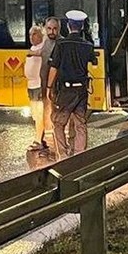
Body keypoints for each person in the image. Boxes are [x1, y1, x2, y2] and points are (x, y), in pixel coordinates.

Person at [47, 10, 98, 157]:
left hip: (65, 91)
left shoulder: (61, 44)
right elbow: (93, 64)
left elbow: (54, 67)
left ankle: (63, 155)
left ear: (68, 25)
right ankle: (79, 155)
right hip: (82, 90)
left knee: (58, 123)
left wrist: (49, 87)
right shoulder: (88, 45)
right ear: (82, 26)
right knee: (80, 124)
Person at [39, 17, 62, 150]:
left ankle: (57, 140)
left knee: (57, 112)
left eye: (55, 29)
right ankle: (46, 137)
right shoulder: (45, 43)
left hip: (57, 85)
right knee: (46, 110)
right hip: (44, 83)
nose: (52, 31)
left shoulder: (62, 43)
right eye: (49, 28)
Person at [24, 25, 46, 153]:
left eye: (34, 34)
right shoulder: (33, 47)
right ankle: (39, 138)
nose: (31, 37)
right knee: (35, 114)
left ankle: (38, 140)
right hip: (31, 85)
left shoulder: (42, 47)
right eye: (30, 35)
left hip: (38, 85)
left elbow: (41, 53)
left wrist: (31, 53)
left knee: (39, 114)